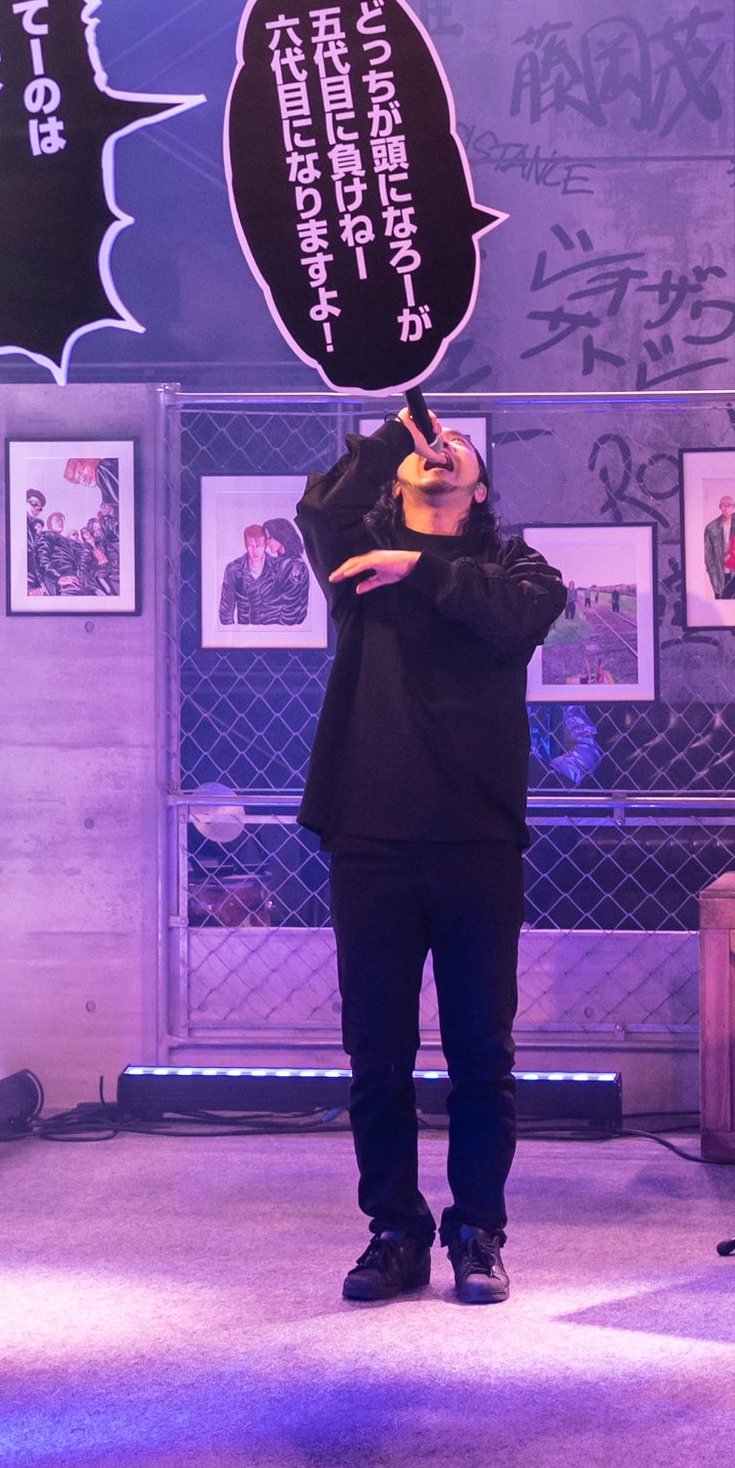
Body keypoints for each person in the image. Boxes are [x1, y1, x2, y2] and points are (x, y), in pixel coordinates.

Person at [298, 405, 565, 1308]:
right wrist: (392, 437)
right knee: (377, 1053)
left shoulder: (514, 568)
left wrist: (416, 567)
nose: (438, 453)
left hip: (476, 839)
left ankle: (478, 1232)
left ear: (480, 490)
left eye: (456, 451)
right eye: (426, 450)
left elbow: (517, 614)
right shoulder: (354, 560)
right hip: (369, 836)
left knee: (481, 1054)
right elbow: (322, 508)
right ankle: (395, 1232)